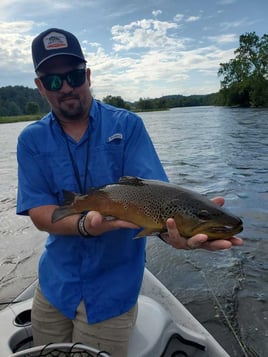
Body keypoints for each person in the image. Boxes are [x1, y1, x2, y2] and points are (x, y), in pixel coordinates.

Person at [16, 28, 243, 356]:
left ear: (88, 76)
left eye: (74, 76)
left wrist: (175, 237)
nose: (65, 87)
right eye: (53, 81)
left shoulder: (128, 126)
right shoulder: (30, 140)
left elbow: (160, 207)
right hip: (54, 287)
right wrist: (84, 225)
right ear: (40, 87)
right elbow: (39, 212)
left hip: (113, 293)